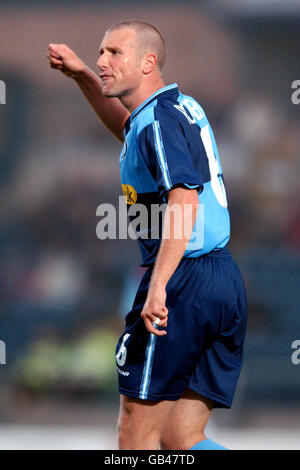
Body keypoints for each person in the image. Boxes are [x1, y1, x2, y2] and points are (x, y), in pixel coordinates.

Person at [46, 20, 247, 450]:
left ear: (148, 61)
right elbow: (129, 129)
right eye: (100, 52)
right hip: (222, 281)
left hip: (181, 283)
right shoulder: (177, 108)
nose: (102, 61)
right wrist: (83, 76)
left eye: (114, 53)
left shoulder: (156, 121)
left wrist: (158, 286)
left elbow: (183, 198)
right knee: (181, 438)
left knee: (134, 438)